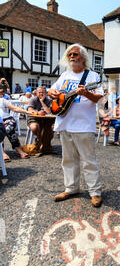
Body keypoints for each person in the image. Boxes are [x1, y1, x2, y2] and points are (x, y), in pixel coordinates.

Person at [48, 44, 103, 207]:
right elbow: (53, 91)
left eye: (75, 54)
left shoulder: (92, 76)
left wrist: (86, 93)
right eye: (70, 54)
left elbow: (99, 98)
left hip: (84, 125)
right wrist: (52, 93)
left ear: (83, 57)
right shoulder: (65, 75)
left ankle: (95, 192)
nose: (72, 56)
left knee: (88, 160)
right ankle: (71, 188)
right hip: (65, 123)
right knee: (68, 159)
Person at [0, 87, 31, 160]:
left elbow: (15, 108)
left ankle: (19, 150)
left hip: (7, 119)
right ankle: (2, 152)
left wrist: (27, 112)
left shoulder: (2, 100)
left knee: (9, 128)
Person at [27, 86, 53, 152]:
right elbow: (30, 109)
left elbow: (49, 112)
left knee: (52, 127)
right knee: (34, 127)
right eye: (39, 92)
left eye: (43, 92)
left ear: (46, 93)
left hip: (47, 120)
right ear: (36, 93)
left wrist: (42, 102)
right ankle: (41, 142)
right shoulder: (33, 99)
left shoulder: (49, 100)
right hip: (34, 119)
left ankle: (45, 144)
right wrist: (38, 113)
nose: (41, 94)